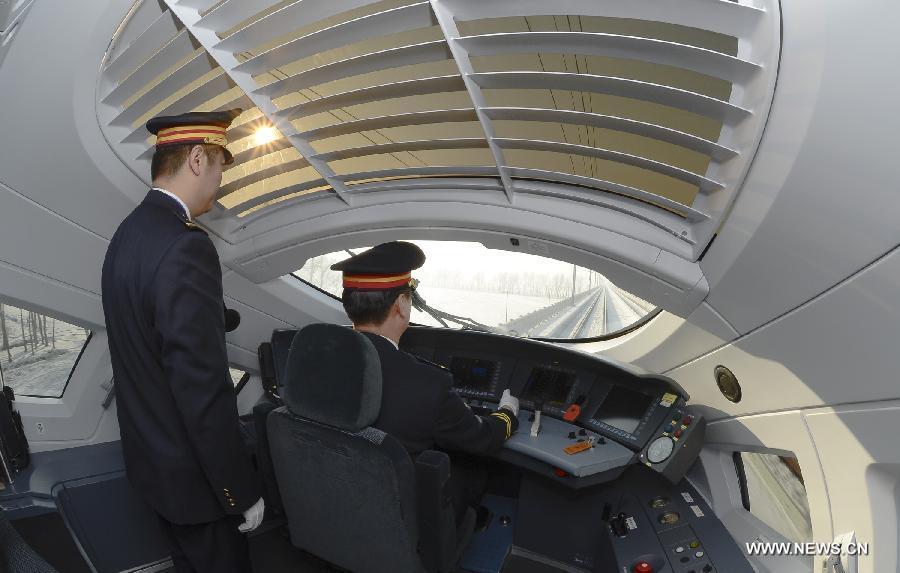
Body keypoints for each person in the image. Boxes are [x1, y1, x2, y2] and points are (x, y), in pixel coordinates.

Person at [101, 109, 263, 573]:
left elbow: (148, 329)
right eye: (219, 167)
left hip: (156, 471)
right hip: (199, 485)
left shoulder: (129, 234)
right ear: (196, 159)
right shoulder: (185, 245)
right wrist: (241, 491)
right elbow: (202, 389)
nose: (219, 181)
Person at [330, 241, 519, 521]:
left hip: (338, 495)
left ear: (349, 307)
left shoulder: (322, 360)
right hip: (400, 516)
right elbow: (482, 439)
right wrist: (508, 413)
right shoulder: (428, 383)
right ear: (403, 305)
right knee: (474, 467)